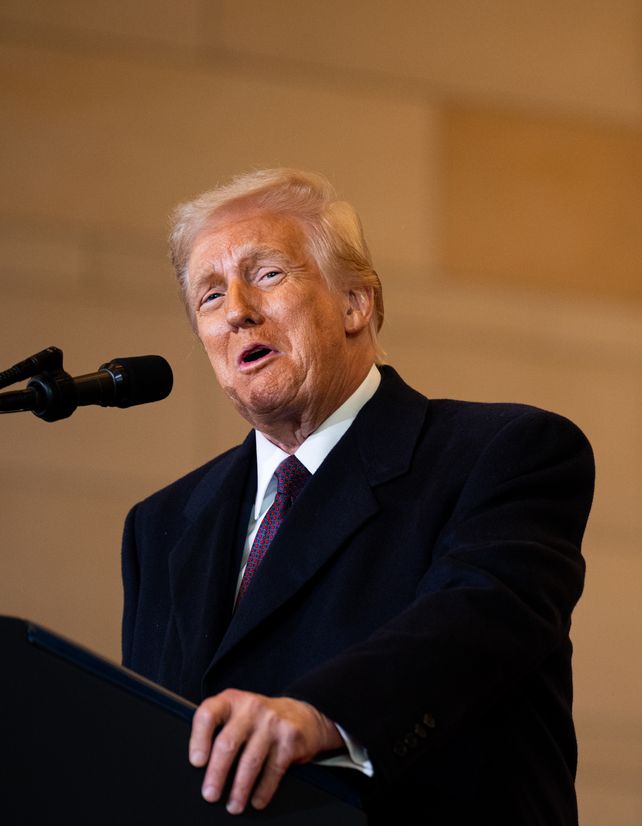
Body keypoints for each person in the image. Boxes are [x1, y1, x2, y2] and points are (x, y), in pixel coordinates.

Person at [121, 168, 594, 823]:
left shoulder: (505, 452)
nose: (237, 311)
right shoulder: (163, 525)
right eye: (209, 296)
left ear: (356, 303)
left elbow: (476, 622)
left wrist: (322, 714)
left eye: (266, 274)